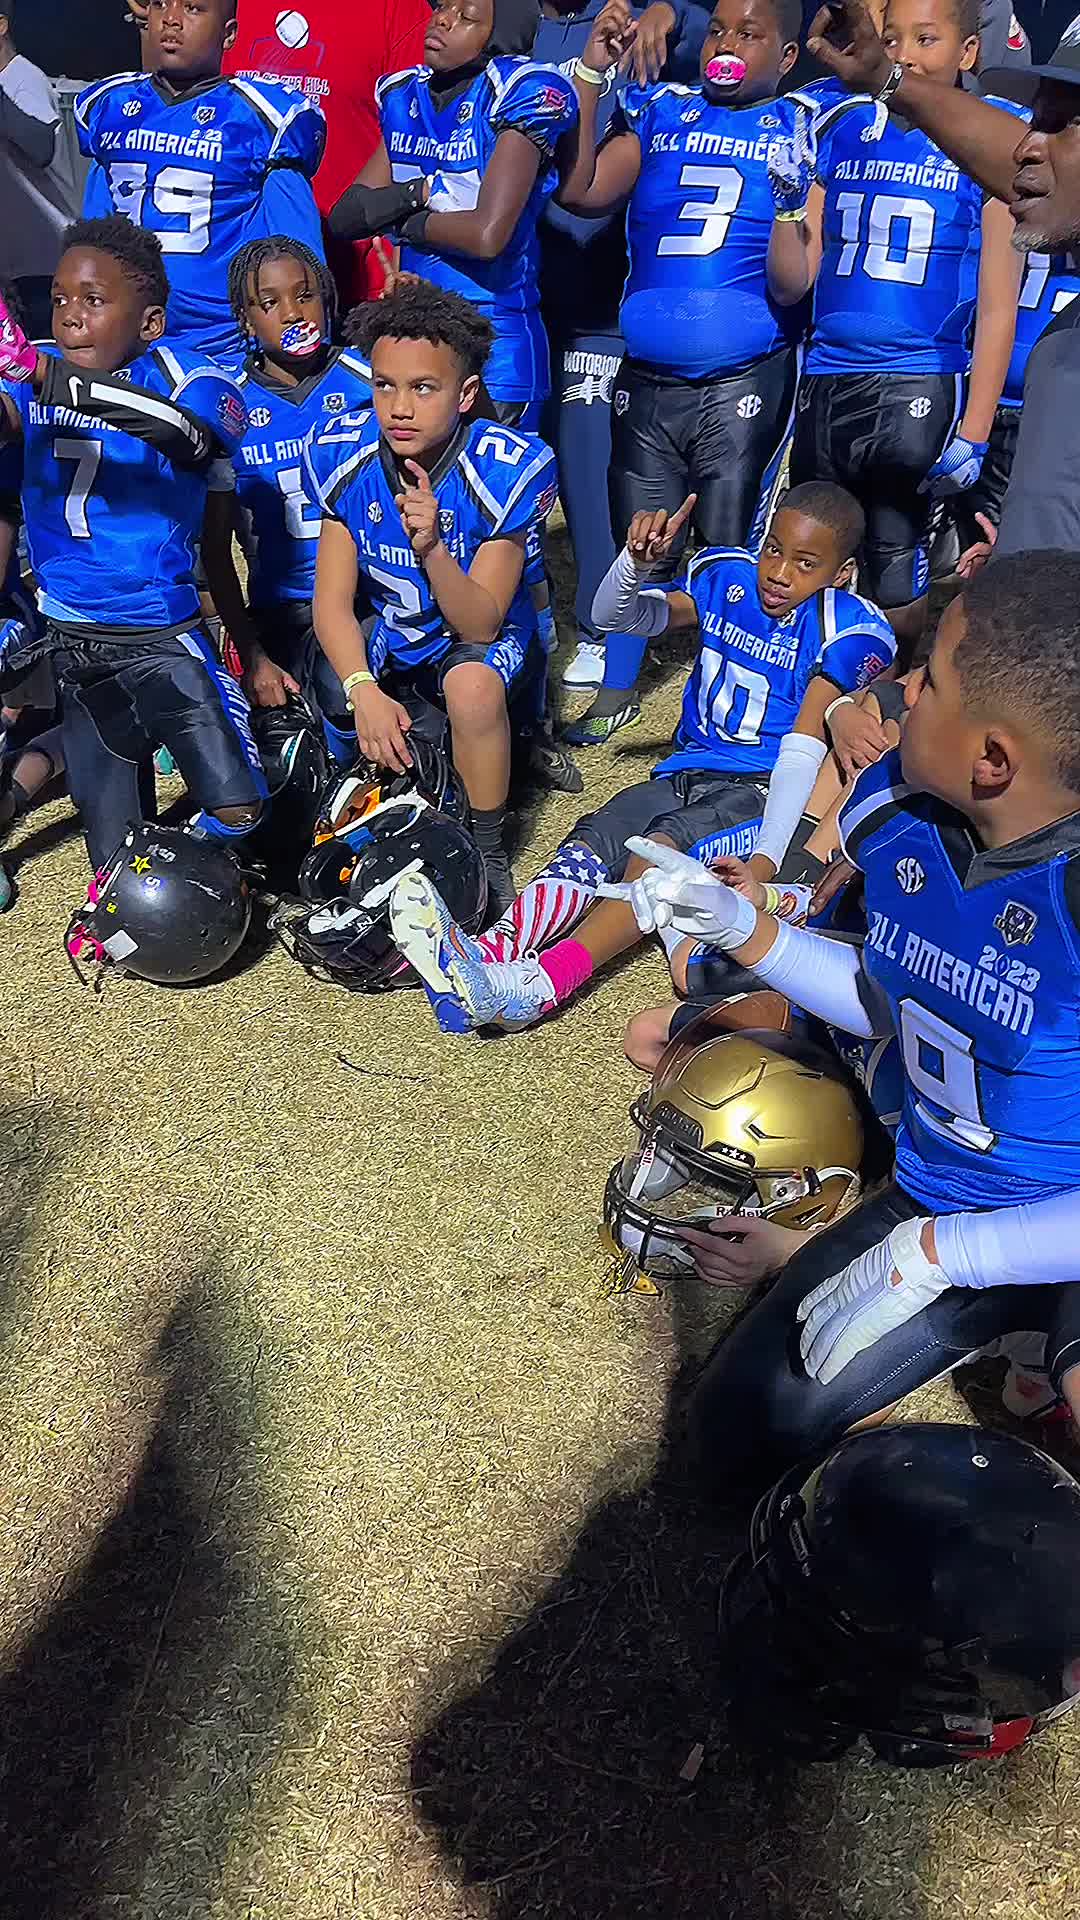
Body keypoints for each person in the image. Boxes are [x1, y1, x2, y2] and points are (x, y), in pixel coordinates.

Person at [602, 551, 1080, 1489]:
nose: (898, 697)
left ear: (992, 759)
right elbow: (885, 993)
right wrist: (748, 930)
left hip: (1046, 1222)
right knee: (730, 1444)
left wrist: (948, 1254)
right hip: (943, 1195)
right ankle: (1012, 1335)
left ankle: (1040, 1344)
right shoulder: (897, 812)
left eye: (929, 682)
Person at [388, 480, 895, 1032]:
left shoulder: (848, 624)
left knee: (656, 855)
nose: (779, 573)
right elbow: (618, 617)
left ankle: (537, 986)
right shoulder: (727, 575)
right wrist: (633, 565)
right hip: (686, 767)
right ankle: (488, 953)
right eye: (774, 549)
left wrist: (768, 860)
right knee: (595, 838)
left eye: (805, 563)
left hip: (755, 787)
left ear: (841, 573)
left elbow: (801, 748)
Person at [556, 0, 810, 742]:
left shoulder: (799, 125)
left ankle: (730, 698)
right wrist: (591, 78)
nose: (727, 44)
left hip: (746, 374)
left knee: (731, 547)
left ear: (787, 57)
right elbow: (581, 189)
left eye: (751, 34)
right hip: (647, 373)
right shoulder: (663, 110)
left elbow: (794, 284)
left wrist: (790, 205)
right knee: (638, 540)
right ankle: (618, 690)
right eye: (721, 29)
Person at [0, 218, 265, 872]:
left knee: (240, 808)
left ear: (150, 322)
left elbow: (190, 437)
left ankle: (195, 866)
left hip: (159, 635)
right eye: (59, 299)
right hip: (73, 638)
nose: (71, 316)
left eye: (93, 300)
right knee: (114, 861)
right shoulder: (30, 372)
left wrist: (50, 378)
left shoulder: (190, 377)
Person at [768, 0, 1022, 661]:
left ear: (968, 52)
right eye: (892, 38)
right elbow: (793, 283)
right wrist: (787, 209)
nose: (904, 53)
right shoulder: (839, 121)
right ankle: (804, 681)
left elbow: (1000, 305)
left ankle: (886, 690)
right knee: (811, 540)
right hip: (828, 372)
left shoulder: (990, 137)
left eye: (926, 38)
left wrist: (975, 430)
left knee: (894, 555)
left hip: (920, 375)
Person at [303, 281, 558, 913]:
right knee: (330, 680)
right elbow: (331, 602)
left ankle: (487, 848)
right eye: (384, 385)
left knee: (471, 688)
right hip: (399, 630)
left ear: (465, 395)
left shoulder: (505, 467)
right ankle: (348, 799)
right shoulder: (342, 453)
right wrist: (363, 691)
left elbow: (481, 622)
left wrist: (432, 549)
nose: (399, 407)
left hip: (481, 641)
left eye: (423, 388)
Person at [797, 0, 1080, 561]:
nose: (1025, 145)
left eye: (1063, 124)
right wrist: (886, 79)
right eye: (1034, 121)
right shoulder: (1061, 343)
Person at [532, 0, 712, 699]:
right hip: (524, 285)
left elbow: (712, 39)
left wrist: (672, 14)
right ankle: (530, 615)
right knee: (533, 467)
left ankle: (603, 626)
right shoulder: (517, 25)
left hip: (606, 300)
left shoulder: (645, 23)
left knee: (589, 465)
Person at [329, 0, 578, 432]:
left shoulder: (516, 91)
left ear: (499, 36)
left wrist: (400, 221)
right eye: (444, 7)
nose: (442, 19)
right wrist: (418, 193)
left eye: (467, 17)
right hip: (418, 342)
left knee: (485, 475)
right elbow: (346, 218)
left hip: (493, 346)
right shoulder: (406, 95)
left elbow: (486, 235)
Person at [74, 0, 326, 365]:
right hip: (126, 342)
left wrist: (298, 355)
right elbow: (92, 240)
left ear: (229, 34)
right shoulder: (108, 106)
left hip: (223, 349)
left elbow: (298, 260)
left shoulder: (263, 116)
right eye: (160, 4)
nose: (171, 20)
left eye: (192, 8)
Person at [210, 234, 372, 753]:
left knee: (345, 701)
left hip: (372, 596)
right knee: (284, 756)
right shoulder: (225, 404)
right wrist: (248, 647)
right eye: (270, 302)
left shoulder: (372, 378)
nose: (293, 312)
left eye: (305, 295)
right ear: (245, 318)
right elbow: (213, 549)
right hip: (282, 609)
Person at [218, 0, 430, 304]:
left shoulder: (399, 9)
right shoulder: (224, 7)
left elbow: (416, 140)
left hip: (356, 275)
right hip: (229, 271)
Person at [0, 2, 81, 342]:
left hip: (46, 260)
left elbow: (42, 147)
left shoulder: (24, 78)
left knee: (47, 357)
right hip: (16, 264)